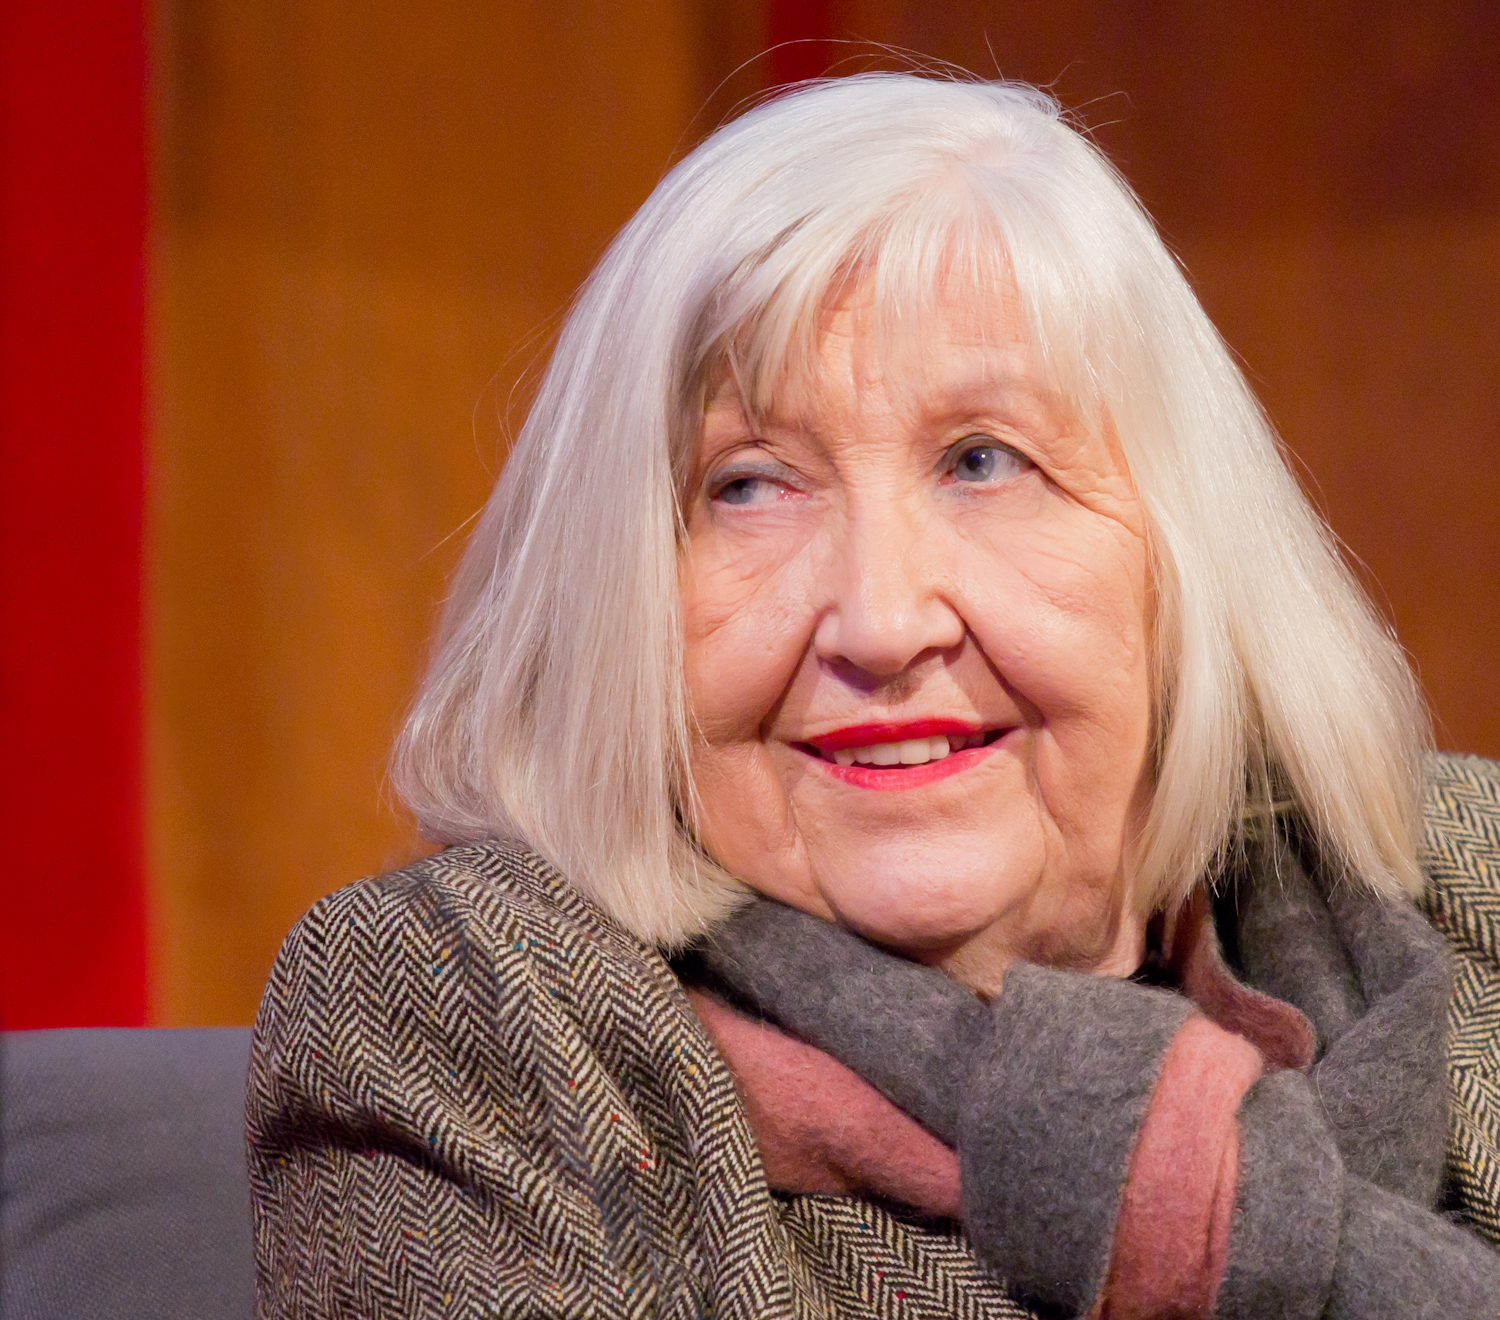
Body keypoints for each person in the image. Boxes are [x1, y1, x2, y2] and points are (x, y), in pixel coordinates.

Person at [247, 74, 1500, 1318]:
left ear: (1183, 560)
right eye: (748, 486)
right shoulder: (474, 1008)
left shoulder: (1472, 874)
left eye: (983, 462)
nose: (884, 623)